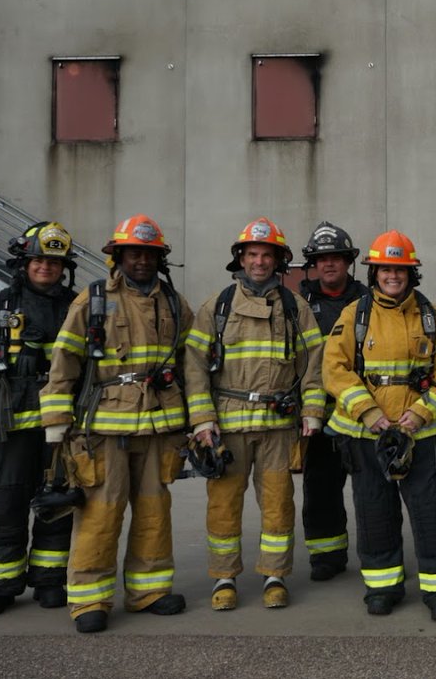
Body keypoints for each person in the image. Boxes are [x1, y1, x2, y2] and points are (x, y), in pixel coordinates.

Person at [40, 214, 194, 634]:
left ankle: (149, 591)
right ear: (118, 256)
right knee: (100, 513)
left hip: (159, 426)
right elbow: (64, 362)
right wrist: (56, 423)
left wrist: (195, 420)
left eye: (149, 254)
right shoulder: (92, 300)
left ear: (159, 258)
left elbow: (191, 363)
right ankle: (90, 599)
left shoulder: (174, 303)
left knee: (154, 511)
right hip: (102, 429)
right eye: (133, 253)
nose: (141, 260)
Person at [323, 230, 436, 622]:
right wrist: (369, 412)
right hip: (366, 434)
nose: (392, 276)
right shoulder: (355, 315)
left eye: (400, 269)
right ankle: (383, 587)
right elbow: (334, 369)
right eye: (385, 269)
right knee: (374, 511)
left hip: (420, 434)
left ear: (410, 273)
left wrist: (420, 413)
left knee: (430, 511)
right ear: (375, 272)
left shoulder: (431, 316)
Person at [184, 217, 325, 610]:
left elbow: (313, 364)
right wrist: (202, 420)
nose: (259, 262)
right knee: (223, 505)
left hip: (278, 425)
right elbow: (194, 367)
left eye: (266, 255)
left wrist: (312, 410)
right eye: (253, 254)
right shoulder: (217, 307)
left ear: (278, 261)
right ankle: (224, 579)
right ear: (241, 259)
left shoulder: (295, 308)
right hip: (227, 425)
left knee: (279, 504)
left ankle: (275, 577)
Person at [0, 222, 79, 617]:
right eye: (39, 260)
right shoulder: (0, 307)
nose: (46, 267)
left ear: (64, 268)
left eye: (54, 262)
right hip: (10, 431)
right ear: (24, 263)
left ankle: (49, 581)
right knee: (5, 506)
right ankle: (1, 585)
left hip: (61, 429)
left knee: (57, 504)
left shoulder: (77, 307)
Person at [298, 221, 367, 582]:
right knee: (321, 488)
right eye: (322, 258)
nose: (329, 264)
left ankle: (377, 554)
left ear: (348, 261)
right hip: (320, 417)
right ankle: (327, 555)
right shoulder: (300, 305)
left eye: (336, 257)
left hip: (363, 415)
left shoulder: (368, 300)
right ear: (313, 263)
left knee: (372, 489)